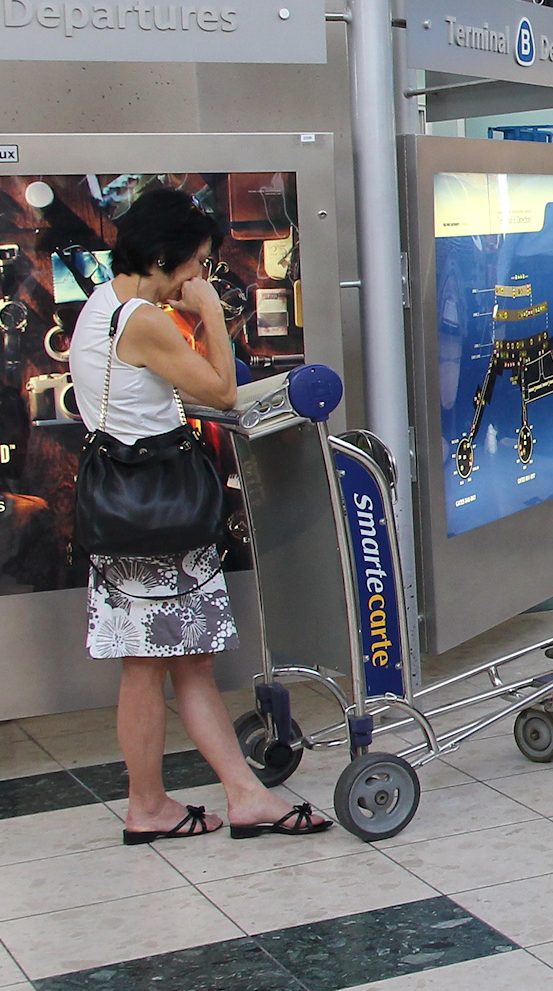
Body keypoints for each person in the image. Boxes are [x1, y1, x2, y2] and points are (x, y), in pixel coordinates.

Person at [78, 189, 329, 843]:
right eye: (195, 265)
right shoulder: (143, 318)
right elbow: (219, 388)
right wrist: (214, 314)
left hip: (128, 516)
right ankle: (153, 804)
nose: (198, 279)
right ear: (163, 257)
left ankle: (227, 796)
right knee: (152, 663)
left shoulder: (101, 307)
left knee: (171, 661)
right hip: (162, 517)